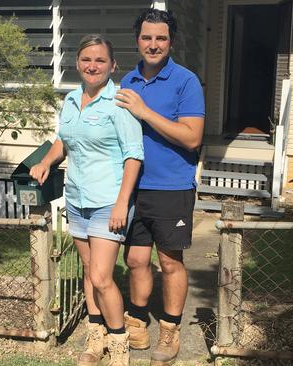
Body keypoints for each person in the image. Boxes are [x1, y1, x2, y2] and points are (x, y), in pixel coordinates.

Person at [30, 35, 144, 366]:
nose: (92, 66)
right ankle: (95, 338)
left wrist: (123, 203)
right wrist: (46, 161)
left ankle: (119, 343)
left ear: (112, 65)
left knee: (101, 277)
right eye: (86, 60)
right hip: (77, 199)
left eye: (99, 60)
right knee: (87, 269)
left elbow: (134, 156)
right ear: (78, 63)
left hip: (109, 200)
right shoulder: (69, 100)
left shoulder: (119, 103)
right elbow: (63, 140)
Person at [114, 9, 205, 366]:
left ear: (171, 41)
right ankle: (136, 319)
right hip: (133, 186)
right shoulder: (127, 81)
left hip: (172, 187)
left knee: (169, 262)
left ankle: (169, 329)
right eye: (147, 37)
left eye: (161, 38)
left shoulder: (185, 81)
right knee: (135, 259)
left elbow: (192, 137)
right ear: (137, 40)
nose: (153, 45)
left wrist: (146, 112)